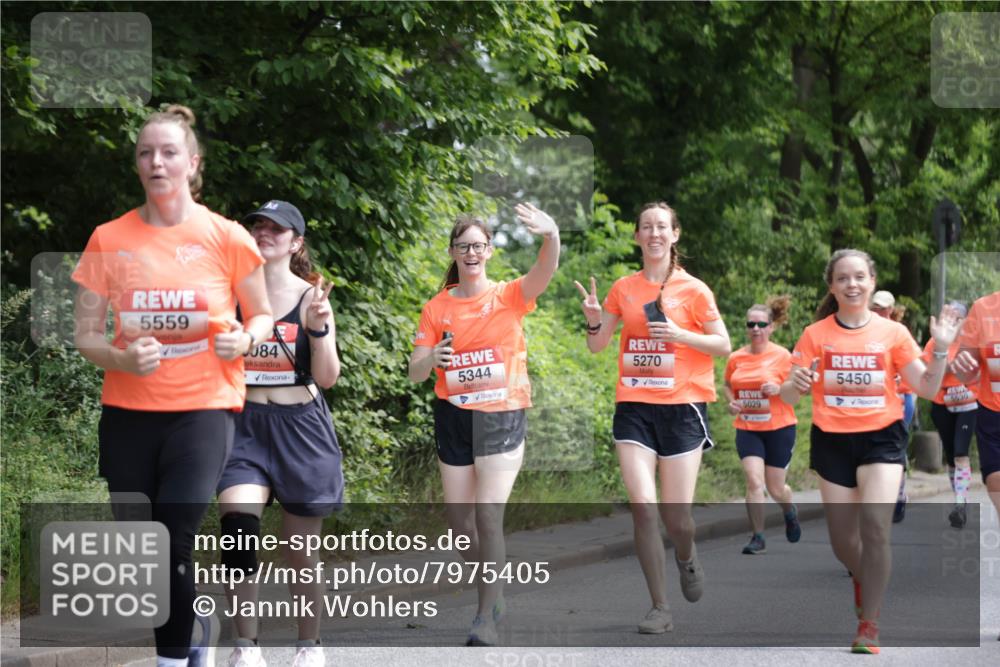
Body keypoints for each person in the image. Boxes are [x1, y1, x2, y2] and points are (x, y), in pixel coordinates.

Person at [72, 105, 273, 667]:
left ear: (192, 163)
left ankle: (171, 661)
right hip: (129, 412)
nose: (155, 161)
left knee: (174, 537)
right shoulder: (109, 238)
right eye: (145, 152)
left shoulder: (226, 237)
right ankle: (196, 624)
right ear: (137, 165)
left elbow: (259, 315)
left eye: (167, 152)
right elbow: (86, 334)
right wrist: (120, 357)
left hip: (204, 411)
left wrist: (246, 340)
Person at [780, 249, 961, 654]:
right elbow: (788, 395)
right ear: (832, 286)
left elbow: (928, 389)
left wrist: (941, 348)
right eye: (843, 278)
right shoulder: (815, 334)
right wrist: (798, 382)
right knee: (843, 541)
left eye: (859, 277)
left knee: (875, 527)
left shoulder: (893, 334)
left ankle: (869, 624)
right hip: (832, 439)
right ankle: (865, 576)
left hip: (882, 436)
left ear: (872, 281)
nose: (852, 284)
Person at [573, 201, 730, 634]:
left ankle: (686, 554)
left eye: (663, 226)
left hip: (682, 409)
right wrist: (592, 321)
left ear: (674, 235)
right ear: (638, 236)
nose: (655, 233)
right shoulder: (623, 288)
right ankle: (660, 607)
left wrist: (680, 335)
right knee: (643, 506)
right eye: (647, 227)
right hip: (635, 407)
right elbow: (598, 346)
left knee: (677, 518)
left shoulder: (695, 290)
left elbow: (723, 345)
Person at [407, 203, 559, 647]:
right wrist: (432, 358)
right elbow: (415, 370)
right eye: (463, 246)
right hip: (453, 416)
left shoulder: (510, 295)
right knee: (461, 526)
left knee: (488, 516)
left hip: (502, 413)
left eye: (479, 245)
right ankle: (491, 590)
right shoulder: (436, 308)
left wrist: (550, 235)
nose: (471, 252)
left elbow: (544, 270)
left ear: (489, 251)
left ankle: (485, 615)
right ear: (453, 253)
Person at [216, 201, 342, 667]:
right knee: (239, 533)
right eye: (258, 226)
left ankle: (309, 646)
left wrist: (320, 328)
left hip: (300, 429)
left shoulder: (313, 297)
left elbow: (328, 377)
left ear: (296, 243)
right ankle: (245, 648)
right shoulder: (229, 295)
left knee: (299, 551)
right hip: (243, 426)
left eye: (277, 228)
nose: (265, 232)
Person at [723, 296, 801, 555]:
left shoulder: (783, 356)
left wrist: (778, 388)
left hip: (779, 427)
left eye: (761, 324)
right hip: (748, 427)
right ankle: (758, 536)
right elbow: (727, 385)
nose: (755, 329)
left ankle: (789, 510)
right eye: (751, 324)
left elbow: (794, 391)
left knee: (776, 487)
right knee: (754, 482)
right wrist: (732, 402)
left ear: (771, 327)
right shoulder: (736, 357)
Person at [922, 302, 976, 528]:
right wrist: (946, 364)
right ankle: (959, 499)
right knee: (952, 454)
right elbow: (927, 372)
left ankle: (960, 504)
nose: (952, 320)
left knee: (961, 453)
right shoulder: (935, 342)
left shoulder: (973, 342)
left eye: (957, 317)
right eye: (950, 316)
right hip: (942, 404)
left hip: (968, 404)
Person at [870, 290, 915, 523]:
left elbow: (915, 369)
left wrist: (898, 379)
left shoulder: (898, 332)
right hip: (874, 400)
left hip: (902, 397)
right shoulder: (863, 330)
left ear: (891, 310)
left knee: (894, 445)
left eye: (882, 308)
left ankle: (897, 493)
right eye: (874, 307)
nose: (878, 311)